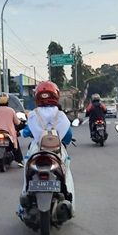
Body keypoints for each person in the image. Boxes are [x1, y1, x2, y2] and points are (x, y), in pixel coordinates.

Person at [19, 81, 75, 211]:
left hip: (36, 150)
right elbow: (68, 136)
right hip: (57, 151)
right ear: (56, 96)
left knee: (27, 174)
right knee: (66, 174)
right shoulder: (61, 115)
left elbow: (27, 132)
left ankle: (25, 199)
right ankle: (67, 198)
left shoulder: (33, 114)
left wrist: (22, 132)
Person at [0, 92, 23, 168]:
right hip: (9, 132)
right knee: (15, 144)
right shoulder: (11, 110)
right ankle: (20, 161)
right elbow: (16, 122)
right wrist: (20, 122)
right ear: (7, 101)